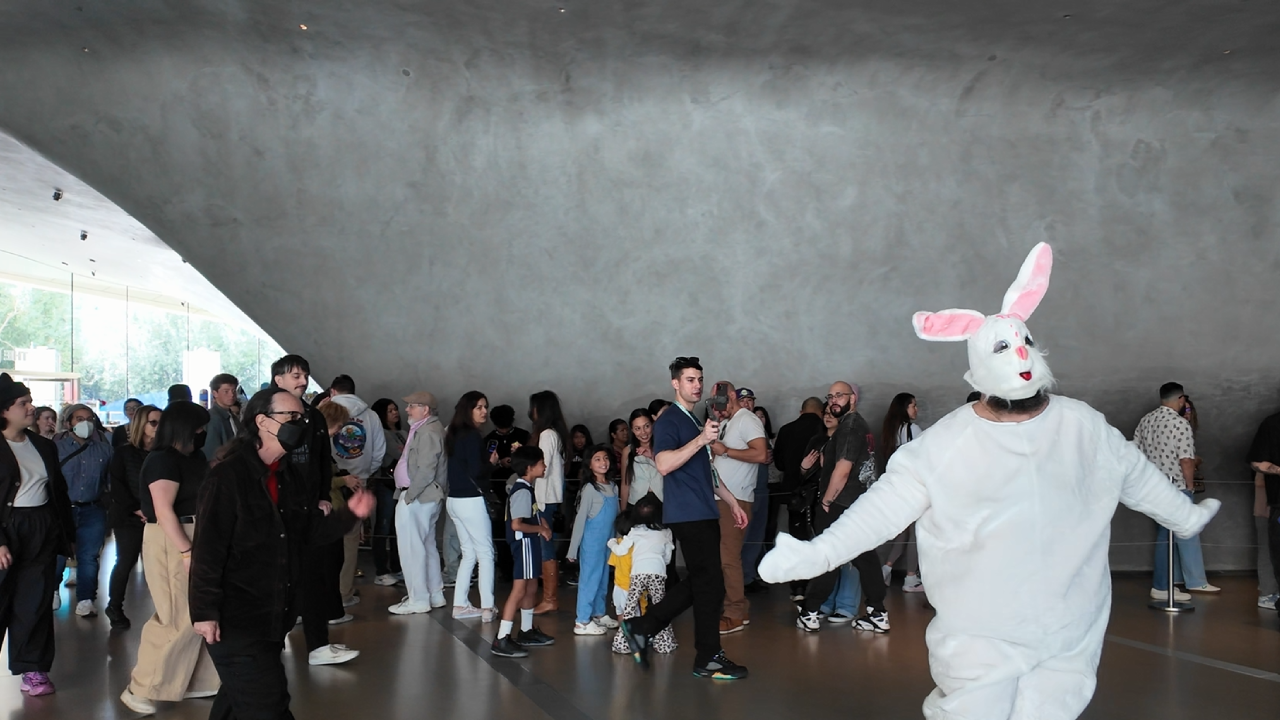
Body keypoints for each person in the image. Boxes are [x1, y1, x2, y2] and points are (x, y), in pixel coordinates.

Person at [761, 242, 1220, 720]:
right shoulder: (943, 445)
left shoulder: (1082, 426)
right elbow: (878, 512)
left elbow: (1135, 474)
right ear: (980, 369)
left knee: (1052, 709)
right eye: (1002, 349)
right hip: (979, 637)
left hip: (1068, 630)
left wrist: (1183, 516)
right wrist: (817, 554)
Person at [189, 387, 374, 720]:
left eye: (302, 417)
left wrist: (350, 515)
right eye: (291, 416)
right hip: (237, 619)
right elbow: (208, 549)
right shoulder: (228, 477)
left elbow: (308, 531)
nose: (300, 424)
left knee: (237, 701)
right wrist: (204, 610)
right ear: (262, 422)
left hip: (273, 616)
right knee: (268, 706)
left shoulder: (287, 475)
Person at [617, 356, 749, 680]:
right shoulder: (670, 421)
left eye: (700, 379)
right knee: (710, 583)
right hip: (689, 513)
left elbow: (707, 471)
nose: (697, 385)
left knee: (706, 581)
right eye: (690, 379)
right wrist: (702, 439)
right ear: (675, 383)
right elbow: (663, 463)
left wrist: (732, 502)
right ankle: (706, 655)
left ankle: (644, 627)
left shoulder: (692, 420)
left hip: (702, 509)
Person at [120, 401, 221, 715]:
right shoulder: (162, 460)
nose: (203, 432)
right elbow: (163, 510)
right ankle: (140, 687)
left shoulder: (194, 457)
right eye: (199, 427)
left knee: (201, 610)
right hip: (171, 538)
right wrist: (185, 550)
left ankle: (195, 680)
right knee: (177, 615)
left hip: (196, 531)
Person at [270, 355, 353, 667]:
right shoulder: (265, 413)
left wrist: (321, 496)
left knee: (314, 576)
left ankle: (318, 645)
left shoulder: (314, 416)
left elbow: (320, 461)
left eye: (305, 375)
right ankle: (270, 644)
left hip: (309, 511)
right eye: (295, 375)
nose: (302, 381)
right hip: (276, 511)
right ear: (278, 379)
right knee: (281, 579)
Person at [791, 382, 887, 634]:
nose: (834, 400)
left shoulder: (849, 427)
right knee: (865, 558)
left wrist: (826, 501)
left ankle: (811, 611)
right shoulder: (856, 425)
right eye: (830, 396)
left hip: (841, 505)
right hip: (858, 504)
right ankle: (877, 612)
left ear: (852, 398)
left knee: (829, 556)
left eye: (840, 395)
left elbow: (843, 470)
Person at [0, 373, 74, 697]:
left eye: (30, 401)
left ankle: (33, 669)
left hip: (41, 526)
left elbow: (58, 491)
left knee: (35, 602)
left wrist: (67, 535)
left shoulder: (43, 445)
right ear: (4, 410)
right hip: (7, 527)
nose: (31, 407)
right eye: (23, 403)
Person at [1134, 382, 1219, 598]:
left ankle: (1169, 583)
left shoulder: (1146, 420)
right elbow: (1186, 460)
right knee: (1171, 536)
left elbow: (1135, 453)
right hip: (1176, 487)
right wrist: (1189, 486)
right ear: (1181, 399)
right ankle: (1162, 587)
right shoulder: (1179, 424)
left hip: (1152, 487)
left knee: (1165, 535)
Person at [709, 382, 767, 635]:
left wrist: (726, 451)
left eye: (720, 400)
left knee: (728, 559)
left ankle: (734, 613)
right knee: (724, 558)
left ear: (732, 396)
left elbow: (761, 454)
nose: (717, 405)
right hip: (721, 498)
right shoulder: (727, 422)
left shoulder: (747, 420)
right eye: (714, 401)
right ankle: (738, 608)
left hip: (736, 499)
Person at [326, 374, 387, 605]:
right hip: (358, 483)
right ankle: (344, 592)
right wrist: (364, 474)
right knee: (351, 542)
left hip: (330, 485)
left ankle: (327, 592)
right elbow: (379, 451)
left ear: (333, 391)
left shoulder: (323, 413)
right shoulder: (370, 415)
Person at [490, 445, 555, 657]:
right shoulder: (521, 491)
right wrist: (541, 529)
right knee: (519, 590)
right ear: (529, 467)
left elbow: (533, 514)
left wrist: (542, 523)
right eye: (541, 463)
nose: (544, 466)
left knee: (531, 586)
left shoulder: (527, 488)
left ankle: (526, 630)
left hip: (530, 543)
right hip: (524, 543)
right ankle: (502, 637)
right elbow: (516, 524)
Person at [389, 392, 450, 616]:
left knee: (411, 549)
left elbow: (426, 470)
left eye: (412, 406)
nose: (407, 410)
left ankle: (418, 599)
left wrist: (409, 496)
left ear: (425, 410)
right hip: (422, 497)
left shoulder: (428, 431)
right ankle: (434, 594)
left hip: (418, 497)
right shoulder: (426, 429)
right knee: (426, 545)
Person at [53, 403, 113, 617]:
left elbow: (110, 481)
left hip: (92, 508)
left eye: (89, 419)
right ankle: (53, 590)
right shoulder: (56, 448)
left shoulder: (105, 450)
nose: (85, 423)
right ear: (69, 423)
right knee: (58, 553)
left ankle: (86, 599)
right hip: (62, 510)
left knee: (89, 556)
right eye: (79, 419)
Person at [105, 404, 161, 630]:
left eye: (161, 423)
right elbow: (117, 486)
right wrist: (138, 509)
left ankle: (165, 609)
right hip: (129, 517)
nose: (158, 427)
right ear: (141, 425)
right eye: (153, 422)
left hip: (159, 517)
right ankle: (114, 606)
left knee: (158, 564)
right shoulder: (123, 453)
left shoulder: (164, 453)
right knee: (126, 561)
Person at [446, 391, 498, 619]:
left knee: (468, 554)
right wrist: (492, 463)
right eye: (479, 407)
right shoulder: (473, 436)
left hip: (454, 500)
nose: (484, 411)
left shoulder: (453, 434)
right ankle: (487, 607)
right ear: (468, 410)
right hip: (471, 500)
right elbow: (477, 471)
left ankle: (460, 604)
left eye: (485, 407)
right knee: (485, 553)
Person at [771, 397, 826, 600]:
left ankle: (798, 588)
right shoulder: (825, 430)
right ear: (821, 412)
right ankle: (820, 587)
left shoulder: (786, 430)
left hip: (794, 495)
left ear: (801, 411)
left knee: (797, 538)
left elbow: (779, 464)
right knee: (820, 538)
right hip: (820, 494)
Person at [609, 495, 677, 655]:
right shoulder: (666, 532)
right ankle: (664, 644)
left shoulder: (634, 531)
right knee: (660, 608)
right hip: (657, 573)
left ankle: (623, 644)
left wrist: (611, 542)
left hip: (638, 573)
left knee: (630, 609)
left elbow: (620, 551)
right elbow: (667, 559)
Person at [566, 445, 620, 635]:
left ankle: (599, 613)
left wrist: (618, 540)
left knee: (603, 578)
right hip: (592, 543)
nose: (603, 462)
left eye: (605, 458)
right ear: (589, 464)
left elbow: (617, 517)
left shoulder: (613, 486)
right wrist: (573, 549)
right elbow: (580, 520)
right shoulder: (589, 489)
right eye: (597, 459)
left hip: (608, 542)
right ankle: (582, 621)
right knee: (589, 580)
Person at [529, 390, 569, 613]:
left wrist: (524, 460)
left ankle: (549, 599)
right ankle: (548, 597)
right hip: (550, 497)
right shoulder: (555, 434)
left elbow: (540, 468)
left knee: (545, 547)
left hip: (543, 497)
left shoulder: (546, 435)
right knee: (546, 545)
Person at [879, 392, 924, 593]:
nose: (916, 409)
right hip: (912, 487)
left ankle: (886, 569)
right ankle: (911, 577)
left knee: (903, 532)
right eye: (913, 405)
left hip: (894, 488)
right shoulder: (913, 430)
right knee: (914, 534)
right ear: (904, 408)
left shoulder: (890, 432)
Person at [742, 401, 778, 592]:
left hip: (762, 488)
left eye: (750, 400)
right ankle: (736, 581)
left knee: (757, 535)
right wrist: (757, 455)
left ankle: (747, 577)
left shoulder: (759, 429)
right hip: (743, 490)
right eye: (742, 400)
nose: (747, 404)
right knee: (742, 537)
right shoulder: (735, 425)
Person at [370, 398, 406, 586]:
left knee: (396, 528)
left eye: (395, 409)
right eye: (390, 410)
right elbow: (402, 453)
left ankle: (396, 567)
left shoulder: (403, 432)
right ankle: (381, 570)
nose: (395, 413)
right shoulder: (382, 434)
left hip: (401, 485)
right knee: (383, 526)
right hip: (386, 483)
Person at [1247, 407, 1280, 611]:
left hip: (1273, 500)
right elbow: (1257, 461)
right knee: (1270, 546)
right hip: (1274, 501)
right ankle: (1269, 592)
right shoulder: (1272, 424)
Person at [620, 409, 663, 508]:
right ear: (632, 430)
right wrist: (623, 511)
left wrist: (651, 456)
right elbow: (625, 484)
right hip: (636, 503)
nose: (643, 432)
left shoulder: (662, 447)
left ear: (653, 424)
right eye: (637, 428)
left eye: (647, 426)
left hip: (662, 501)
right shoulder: (628, 451)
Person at [204, 375, 242, 457]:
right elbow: (212, 451)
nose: (232, 395)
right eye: (226, 391)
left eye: (234, 391)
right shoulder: (212, 418)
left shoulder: (231, 415)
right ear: (215, 393)